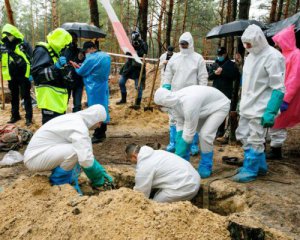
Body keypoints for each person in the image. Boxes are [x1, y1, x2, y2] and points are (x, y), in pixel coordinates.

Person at [233, 24, 285, 183]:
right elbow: (248, 82)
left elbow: (278, 87)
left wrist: (271, 110)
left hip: (261, 106)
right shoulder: (250, 56)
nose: (247, 46)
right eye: (245, 44)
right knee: (242, 134)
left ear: (259, 40)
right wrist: (240, 102)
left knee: (255, 137)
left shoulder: (273, 56)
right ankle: (259, 164)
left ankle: (250, 168)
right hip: (247, 105)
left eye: (249, 43)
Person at [24, 105, 113, 192]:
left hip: (41, 153)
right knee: (75, 151)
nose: (99, 126)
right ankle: (60, 184)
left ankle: (67, 180)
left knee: (79, 150)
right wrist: (98, 179)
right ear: (95, 119)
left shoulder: (74, 119)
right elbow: (85, 159)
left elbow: (86, 151)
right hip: (34, 158)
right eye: (100, 122)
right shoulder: (79, 127)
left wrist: (100, 170)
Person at [154, 85, 230, 178]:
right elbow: (180, 123)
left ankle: (206, 165)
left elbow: (189, 133)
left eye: (160, 106)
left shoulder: (189, 103)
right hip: (203, 108)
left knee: (205, 135)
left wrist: (177, 156)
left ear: (164, 102)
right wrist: (179, 142)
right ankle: (184, 163)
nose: (159, 108)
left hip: (219, 106)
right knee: (189, 135)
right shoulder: (172, 104)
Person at [162, 32, 208, 156]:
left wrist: (202, 93)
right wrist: (166, 86)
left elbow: (203, 77)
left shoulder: (198, 58)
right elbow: (168, 74)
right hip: (176, 94)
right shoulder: (175, 58)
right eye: (181, 43)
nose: (183, 46)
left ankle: (192, 145)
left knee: (192, 120)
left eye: (185, 44)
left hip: (192, 96)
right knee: (174, 119)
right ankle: (174, 143)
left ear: (190, 44)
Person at [267, 25, 300, 159]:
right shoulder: (285, 54)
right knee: (275, 120)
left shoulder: (296, 55)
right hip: (281, 93)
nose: (277, 45)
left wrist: (285, 99)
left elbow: (294, 79)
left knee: (278, 121)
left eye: (279, 42)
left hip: (289, 96)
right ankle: (274, 147)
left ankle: (276, 150)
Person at [126, 143, 200, 203]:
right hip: (195, 178)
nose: (132, 162)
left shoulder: (144, 166)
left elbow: (140, 194)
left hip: (185, 186)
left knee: (155, 205)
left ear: (134, 156)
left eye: (130, 160)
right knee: (158, 195)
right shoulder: (157, 152)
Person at [72, 41, 111, 144]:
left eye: (86, 51)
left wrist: (76, 66)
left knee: (95, 110)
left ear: (90, 49)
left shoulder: (91, 58)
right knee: (103, 108)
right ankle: (103, 132)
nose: (85, 54)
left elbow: (81, 72)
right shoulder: (106, 56)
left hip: (93, 88)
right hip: (103, 86)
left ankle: (98, 134)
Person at [31, 28, 72, 124]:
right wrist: (56, 67)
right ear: (59, 41)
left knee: (57, 128)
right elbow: (38, 76)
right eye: (64, 45)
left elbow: (56, 75)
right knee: (50, 128)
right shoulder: (42, 50)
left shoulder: (54, 53)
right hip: (49, 100)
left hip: (57, 100)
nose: (65, 48)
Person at [1, 24, 32, 126]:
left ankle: (28, 118)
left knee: (26, 96)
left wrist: (31, 73)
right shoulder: (3, 44)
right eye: (6, 34)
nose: (8, 36)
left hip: (24, 74)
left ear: (14, 33)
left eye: (10, 34)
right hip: (11, 75)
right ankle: (15, 116)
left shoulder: (24, 44)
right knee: (14, 96)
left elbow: (31, 58)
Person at [209, 47, 240, 138]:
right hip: (215, 91)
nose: (220, 56)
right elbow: (209, 76)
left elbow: (234, 76)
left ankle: (221, 131)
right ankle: (214, 129)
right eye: (218, 55)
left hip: (226, 91)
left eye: (221, 55)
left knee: (222, 112)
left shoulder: (231, 64)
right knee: (214, 111)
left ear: (225, 54)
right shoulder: (215, 64)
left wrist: (222, 72)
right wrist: (215, 74)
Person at [116, 30, 148, 106]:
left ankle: (137, 103)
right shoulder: (130, 44)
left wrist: (138, 48)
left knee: (138, 86)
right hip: (129, 66)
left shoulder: (143, 43)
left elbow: (144, 53)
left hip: (138, 67)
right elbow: (127, 53)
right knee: (121, 82)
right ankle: (123, 99)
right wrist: (130, 49)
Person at [63, 32, 84, 112]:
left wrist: (80, 60)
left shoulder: (80, 52)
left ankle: (77, 121)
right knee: (64, 103)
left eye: (75, 39)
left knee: (77, 105)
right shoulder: (63, 51)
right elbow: (61, 63)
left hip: (78, 80)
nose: (73, 41)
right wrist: (70, 63)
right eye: (71, 39)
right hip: (66, 80)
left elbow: (84, 64)